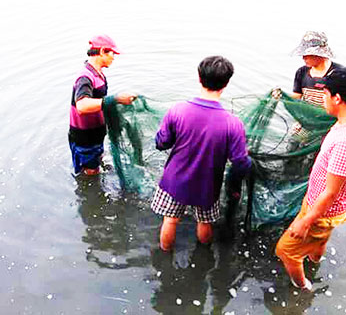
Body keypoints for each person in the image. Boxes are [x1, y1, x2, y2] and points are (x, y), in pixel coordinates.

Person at [275, 67, 346, 291]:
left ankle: (303, 287)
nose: (323, 100)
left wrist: (305, 222)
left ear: (337, 98)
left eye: (325, 95)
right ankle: (315, 259)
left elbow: (331, 193)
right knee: (319, 239)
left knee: (285, 250)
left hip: (323, 210)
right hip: (334, 207)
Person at [150, 56, 252, 251]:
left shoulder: (177, 110)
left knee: (170, 220)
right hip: (208, 186)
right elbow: (240, 162)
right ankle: (203, 255)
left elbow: (162, 143)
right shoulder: (233, 123)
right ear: (226, 83)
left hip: (174, 181)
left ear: (199, 78)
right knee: (205, 223)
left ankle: (165, 257)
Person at [69, 35, 137, 176]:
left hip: (96, 132)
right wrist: (116, 99)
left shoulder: (99, 74)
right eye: (112, 53)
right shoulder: (85, 77)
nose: (113, 58)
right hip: (84, 137)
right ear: (102, 51)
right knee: (91, 172)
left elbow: (99, 102)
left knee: (98, 159)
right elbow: (81, 105)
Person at [273, 31, 346, 122]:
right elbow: (297, 97)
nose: (303, 57)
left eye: (307, 54)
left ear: (320, 54)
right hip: (308, 118)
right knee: (294, 139)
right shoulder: (302, 72)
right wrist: (282, 96)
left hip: (330, 120)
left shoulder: (339, 73)